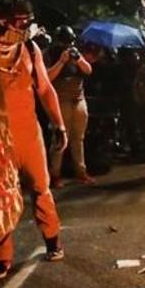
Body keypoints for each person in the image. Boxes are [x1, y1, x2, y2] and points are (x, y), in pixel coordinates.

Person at [0, 0, 68, 279]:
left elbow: (45, 89)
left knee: (41, 189)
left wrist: (59, 125)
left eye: (27, 21)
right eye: (19, 21)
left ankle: (53, 241)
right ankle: (2, 258)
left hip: (28, 132)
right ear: (3, 20)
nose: (24, 26)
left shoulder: (29, 48)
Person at [45, 25, 94, 186]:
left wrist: (78, 59)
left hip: (78, 100)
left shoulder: (75, 53)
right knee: (60, 139)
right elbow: (47, 77)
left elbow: (88, 70)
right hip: (61, 100)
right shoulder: (51, 54)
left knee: (78, 139)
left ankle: (81, 172)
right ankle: (55, 175)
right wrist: (61, 61)